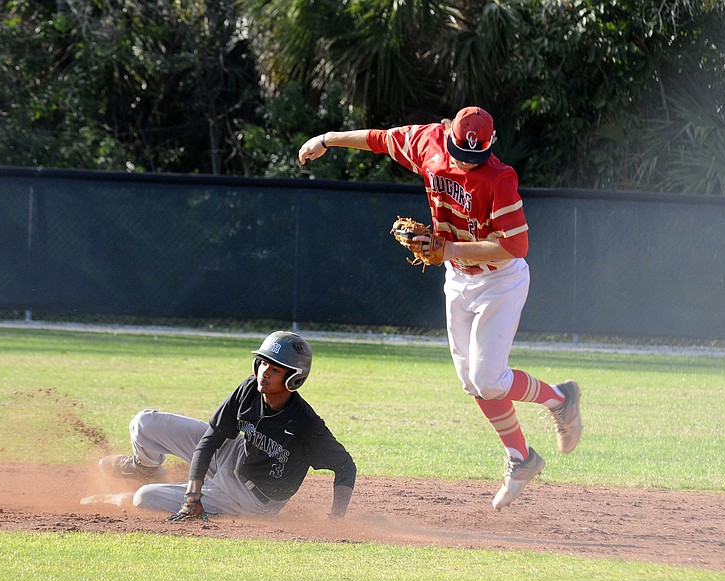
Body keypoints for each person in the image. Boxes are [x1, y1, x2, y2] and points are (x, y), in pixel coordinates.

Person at [298, 106, 582, 510]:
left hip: (499, 281)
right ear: (446, 130)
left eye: (475, 156)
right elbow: (378, 138)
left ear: (490, 146)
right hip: (458, 277)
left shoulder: (500, 178)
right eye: (459, 153)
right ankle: (522, 458)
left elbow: (514, 248)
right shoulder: (426, 141)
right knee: (473, 382)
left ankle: (560, 399)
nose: (466, 161)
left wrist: (446, 248)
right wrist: (326, 139)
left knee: (489, 377)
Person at [99, 331, 356, 520]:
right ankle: (147, 468)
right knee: (145, 423)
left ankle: (128, 498)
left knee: (143, 497)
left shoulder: (305, 424)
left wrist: (337, 519)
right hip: (234, 455)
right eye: (263, 362)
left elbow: (346, 466)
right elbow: (210, 440)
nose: (264, 372)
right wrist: (192, 497)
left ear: (294, 380)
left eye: (276, 370)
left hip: (250, 500)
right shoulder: (249, 390)